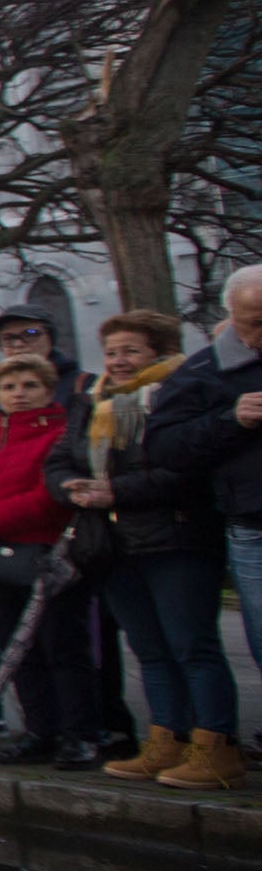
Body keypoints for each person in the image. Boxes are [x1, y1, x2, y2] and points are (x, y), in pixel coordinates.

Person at [47, 310, 240, 790]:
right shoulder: (93, 400)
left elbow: (188, 467)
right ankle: (165, 738)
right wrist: (71, 484)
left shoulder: (182, 391)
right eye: (112, 352)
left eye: (131, 350)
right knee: (148, 650)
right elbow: (60, 457)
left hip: (174, 536)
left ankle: (216, 745)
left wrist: (119, 492)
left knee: (192, 645)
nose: (119, 361)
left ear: (158, 349)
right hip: (112, 542)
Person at [0, 355, 99, 768]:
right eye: (9, 387)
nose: (19, 394)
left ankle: (79, 734)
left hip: (46, 556)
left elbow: (50, 496)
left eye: (30, 386)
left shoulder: (62, 437)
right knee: (17, 650)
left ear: (48, 392)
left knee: (61, 646)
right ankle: (39, 730)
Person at [148, 264, 262, 750]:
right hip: (254, 523)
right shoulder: (204, 370)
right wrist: (229, 420)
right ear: (231, 315)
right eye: (255, 320)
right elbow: (165, 446)